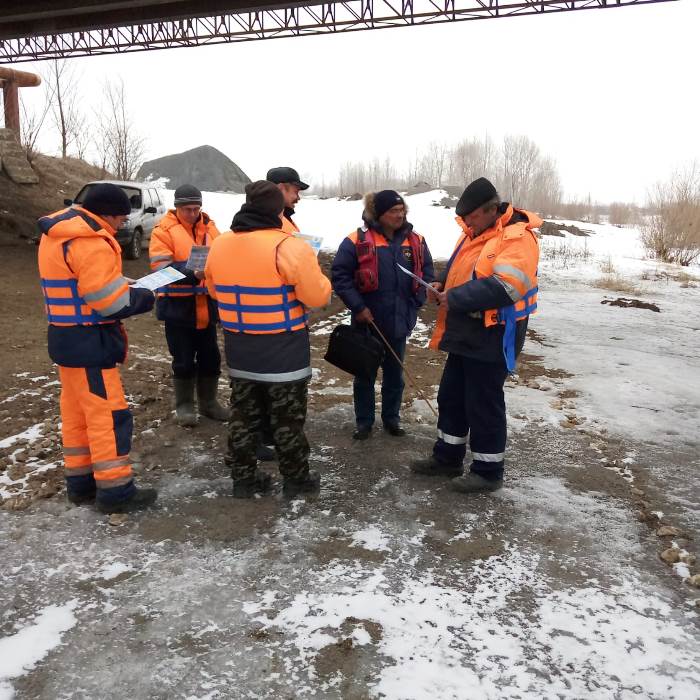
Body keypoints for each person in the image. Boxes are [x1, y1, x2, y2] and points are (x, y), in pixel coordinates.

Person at [410, 177, 541, 493]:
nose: (466, 225)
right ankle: (447, 458)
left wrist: (453, 298)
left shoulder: (518, 239)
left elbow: (505, 287)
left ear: (492, 210)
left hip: (495, 333)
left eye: (472, 219)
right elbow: (462, 270)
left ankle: (488, 471)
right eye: (464, 220)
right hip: (465, 329)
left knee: (483, 402)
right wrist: (441, 284)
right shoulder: (474, 234)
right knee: (452, 396)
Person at [205, 180, 331, 498]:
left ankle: (244, 480)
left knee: (244, 416)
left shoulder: (220, 244)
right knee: (287, 419)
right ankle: (296, 480)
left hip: (240, 348)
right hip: (283, 352)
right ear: (278, 210)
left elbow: (213, 289)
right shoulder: (288, 246)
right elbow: (316, 296)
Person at [37, 183, 158, 513]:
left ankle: (81, 485)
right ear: (105, 214)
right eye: (120, 219)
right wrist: (146, 296)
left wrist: (124, 284)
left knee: (77, 415)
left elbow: (79, 285)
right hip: (91, 343)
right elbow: (109, 303)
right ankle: (116, 492)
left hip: (66, 339)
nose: (120, 225)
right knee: (108, 417)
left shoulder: (60, 232)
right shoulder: (91, 242)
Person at [331, 190, 435, 440]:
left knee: (394, 375)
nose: (400, 215)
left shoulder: (416, 241)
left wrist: (416, 302)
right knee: (364, 374)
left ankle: (392, 419)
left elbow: (428, 274)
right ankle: (364, 422)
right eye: (393, 211)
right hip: (366, 321)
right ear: (379, 213)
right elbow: (340, 276)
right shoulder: (356, 240)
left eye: (402, 211)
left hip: (400, 321)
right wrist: (358, 307)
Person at [148, 184, 228, 426]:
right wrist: (191, 271)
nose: (193, 213)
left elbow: (224, 255)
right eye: (187, 209)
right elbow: (160, 269)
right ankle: (184, 406)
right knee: (182, 359)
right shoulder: (163, 231)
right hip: (178, 308)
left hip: (208, 306)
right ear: (177, 207)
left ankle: (209, 404)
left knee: (211, 358)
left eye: (196, 208)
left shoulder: (212, 229)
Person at [266, 166, 309, 236]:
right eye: (296, 192)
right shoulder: (266, 222)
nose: (298, 198)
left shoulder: (278, 216)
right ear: (281, 189)